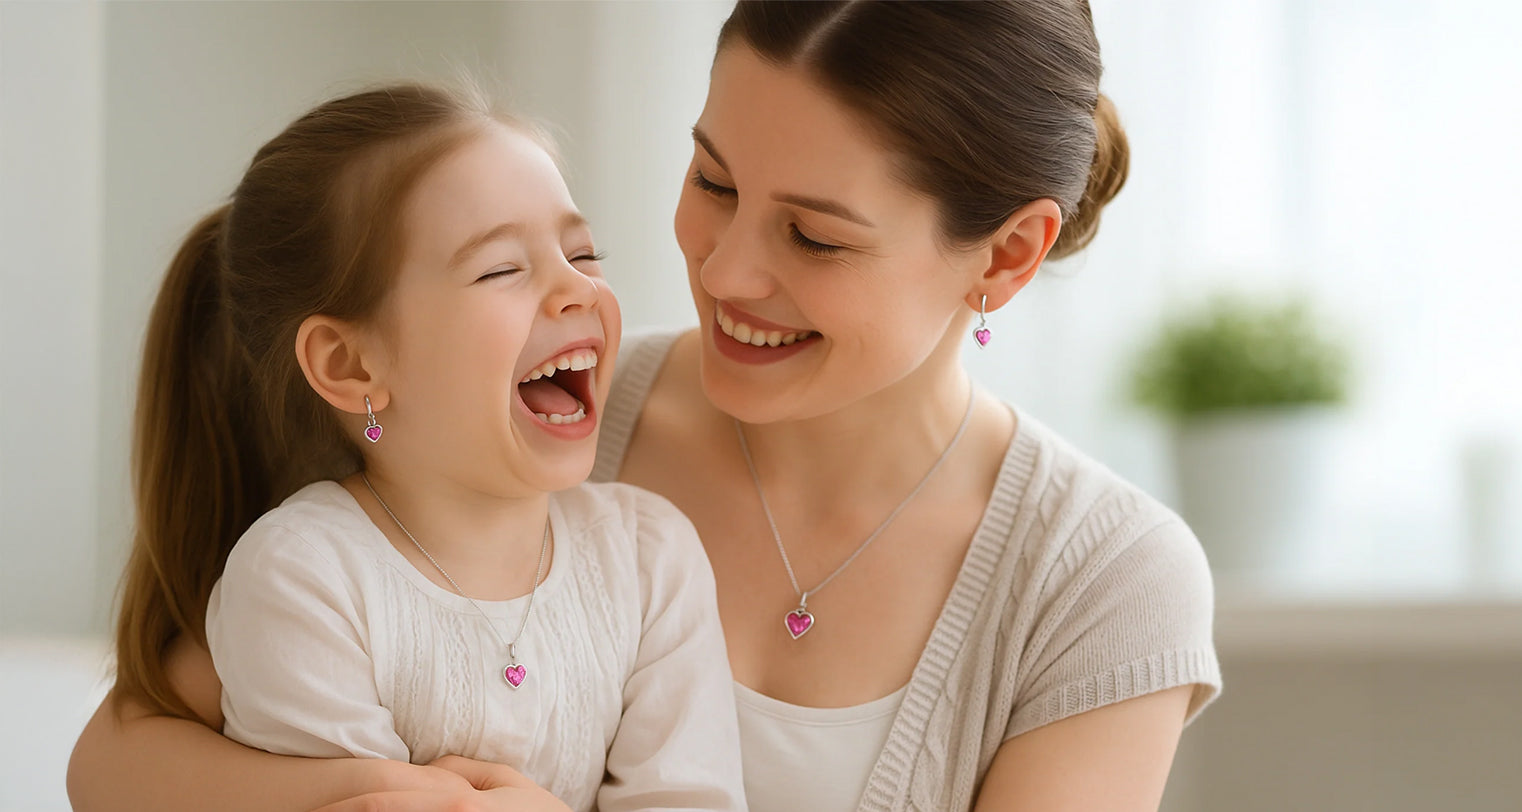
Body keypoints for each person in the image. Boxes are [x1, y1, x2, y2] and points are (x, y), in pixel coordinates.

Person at [69, 3, 1219, 810]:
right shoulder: (514, 424)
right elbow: (116, 758)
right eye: (712, 179)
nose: (723, 269)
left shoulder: (1101, 578)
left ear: (1006, 256)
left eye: (813, 235)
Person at [79, 83, 744, 811]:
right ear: (350, 364)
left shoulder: (650, 558)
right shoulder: (306, 577)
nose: (577, 288)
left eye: (582, 253)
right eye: (501, 268)